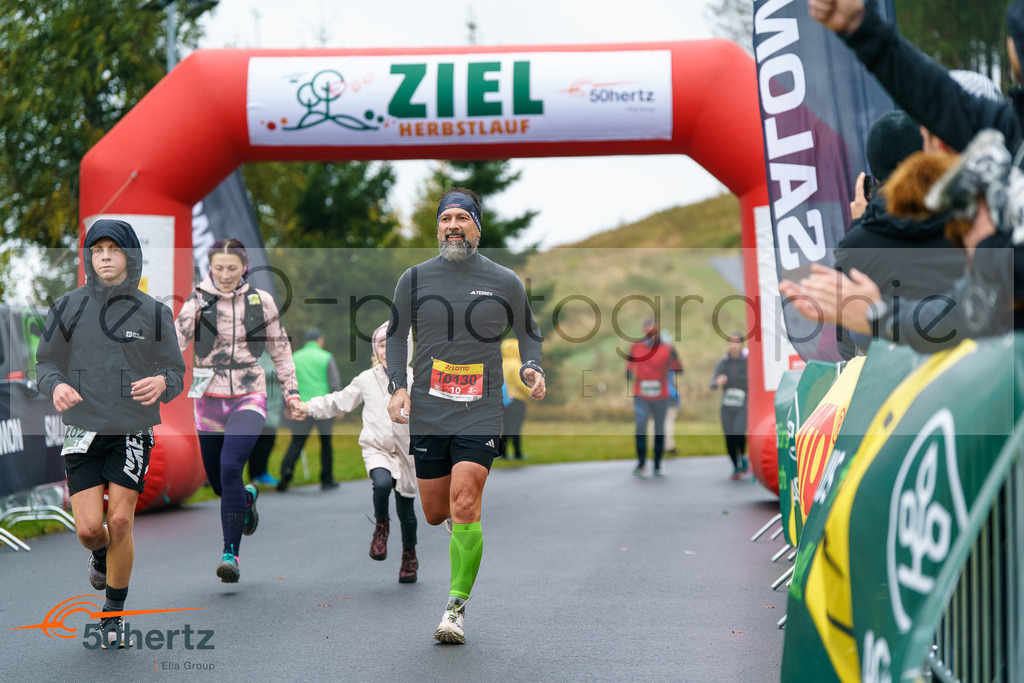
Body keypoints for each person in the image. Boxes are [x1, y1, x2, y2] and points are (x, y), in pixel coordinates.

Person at [385, 187, 546, 644]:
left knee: (464, 500)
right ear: (438, 227)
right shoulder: (413, 279)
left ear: (478, 226)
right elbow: (396, 337)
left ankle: (454, 610)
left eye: (462, 218)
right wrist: (398, 386)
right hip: (431, 410)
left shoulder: (504, 280)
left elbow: (529, 334)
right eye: (445, 219)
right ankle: (462, 524)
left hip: (481, 408)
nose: (452, 225)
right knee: (436, 512)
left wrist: (532, 367)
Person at [35, 219, 186, 648]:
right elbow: (44, 363)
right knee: (88, 529)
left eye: (114, 250)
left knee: (120, 520)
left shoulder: (154, 311)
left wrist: (163, 384)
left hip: (132, 427)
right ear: (89, 257)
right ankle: (99, 554)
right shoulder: (67, 306)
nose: (105, 257)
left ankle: (113, 614)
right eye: (97, 249)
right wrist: (57, 385)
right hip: (83, 430)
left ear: (130, 256)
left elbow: (175, 370)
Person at [175, 238, 302, 583]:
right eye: (219, 268)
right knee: (220, 484)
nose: (226, 275)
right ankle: (245, 497)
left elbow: (281, 351)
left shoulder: (262, 302)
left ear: (244, 267)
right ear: (209, 268)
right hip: (207, 399)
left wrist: (291, 394)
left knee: (232, 465)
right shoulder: (197, 301)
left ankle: (230, 554)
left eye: (233, 268)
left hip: (249, 394)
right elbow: (175, 344)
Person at [833, 109, 966, 357]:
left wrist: (860, 227)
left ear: (874, 175)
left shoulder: (857, 245)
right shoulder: (969, 221)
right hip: (969, 373)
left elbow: (848, 345)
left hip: (895, 386)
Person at [294, 323, 419, 583]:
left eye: (394, 346)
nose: (387, 351)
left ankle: (409, 555)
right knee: (382, 484)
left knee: (407, 511)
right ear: (376, 349)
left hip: (407, 454)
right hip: (377, 448)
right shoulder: (366, 379)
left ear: (406, 350)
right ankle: (381, 528)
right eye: (382, 345)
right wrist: (307, 408)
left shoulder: (416, 379)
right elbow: (338, 400)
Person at [277, 328, 342, 491]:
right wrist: (339, 406)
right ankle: (326, 479)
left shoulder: (295, 357)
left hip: (302, 406)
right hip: (323, 407)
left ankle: (286, 470)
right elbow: (334, 383)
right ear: (319, 340)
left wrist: (288, 405)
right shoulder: (326, 357)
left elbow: (287, 382)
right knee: (326, 443)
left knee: (297, 442)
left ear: (306, 341)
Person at [626, 318, 683, 477]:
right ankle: (641, 463)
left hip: (661, 396)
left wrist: (675, 356)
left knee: (659, 429)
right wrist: (629, 372)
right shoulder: (636, 347)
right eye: (648, 332)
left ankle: (657, 464)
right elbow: (629, 365)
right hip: (641, 395)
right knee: (640, 426)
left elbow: (679, 369)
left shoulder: (666, 348)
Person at [710, 333, 748, 480]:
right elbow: (712, 383)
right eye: (730, 342)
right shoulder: (723, 363)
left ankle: (743, 455)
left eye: (736, 342)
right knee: (729, 436)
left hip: (742, 405)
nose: (733, 345)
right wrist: (717, 382)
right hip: (727, 406)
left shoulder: (747, 362)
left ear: (741, 345)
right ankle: (735, 465)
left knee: (738, 432)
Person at [247, 351, 281, 487]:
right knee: (265, 441)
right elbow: (257, 371)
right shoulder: (259, 353)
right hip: (262, 405)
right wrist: (281, 371)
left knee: (261, 441)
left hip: (271, 405)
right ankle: (258, 474)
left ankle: (257, 474)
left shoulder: (270, 353)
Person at [499, 337, 531, 459]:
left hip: (504, 401)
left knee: (506, 427)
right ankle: (517, 453)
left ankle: (503, 453)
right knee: (516, 427)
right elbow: (521, 383)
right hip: (517, 400)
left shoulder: (501, 363)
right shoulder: (516, 364)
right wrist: (532, 391)